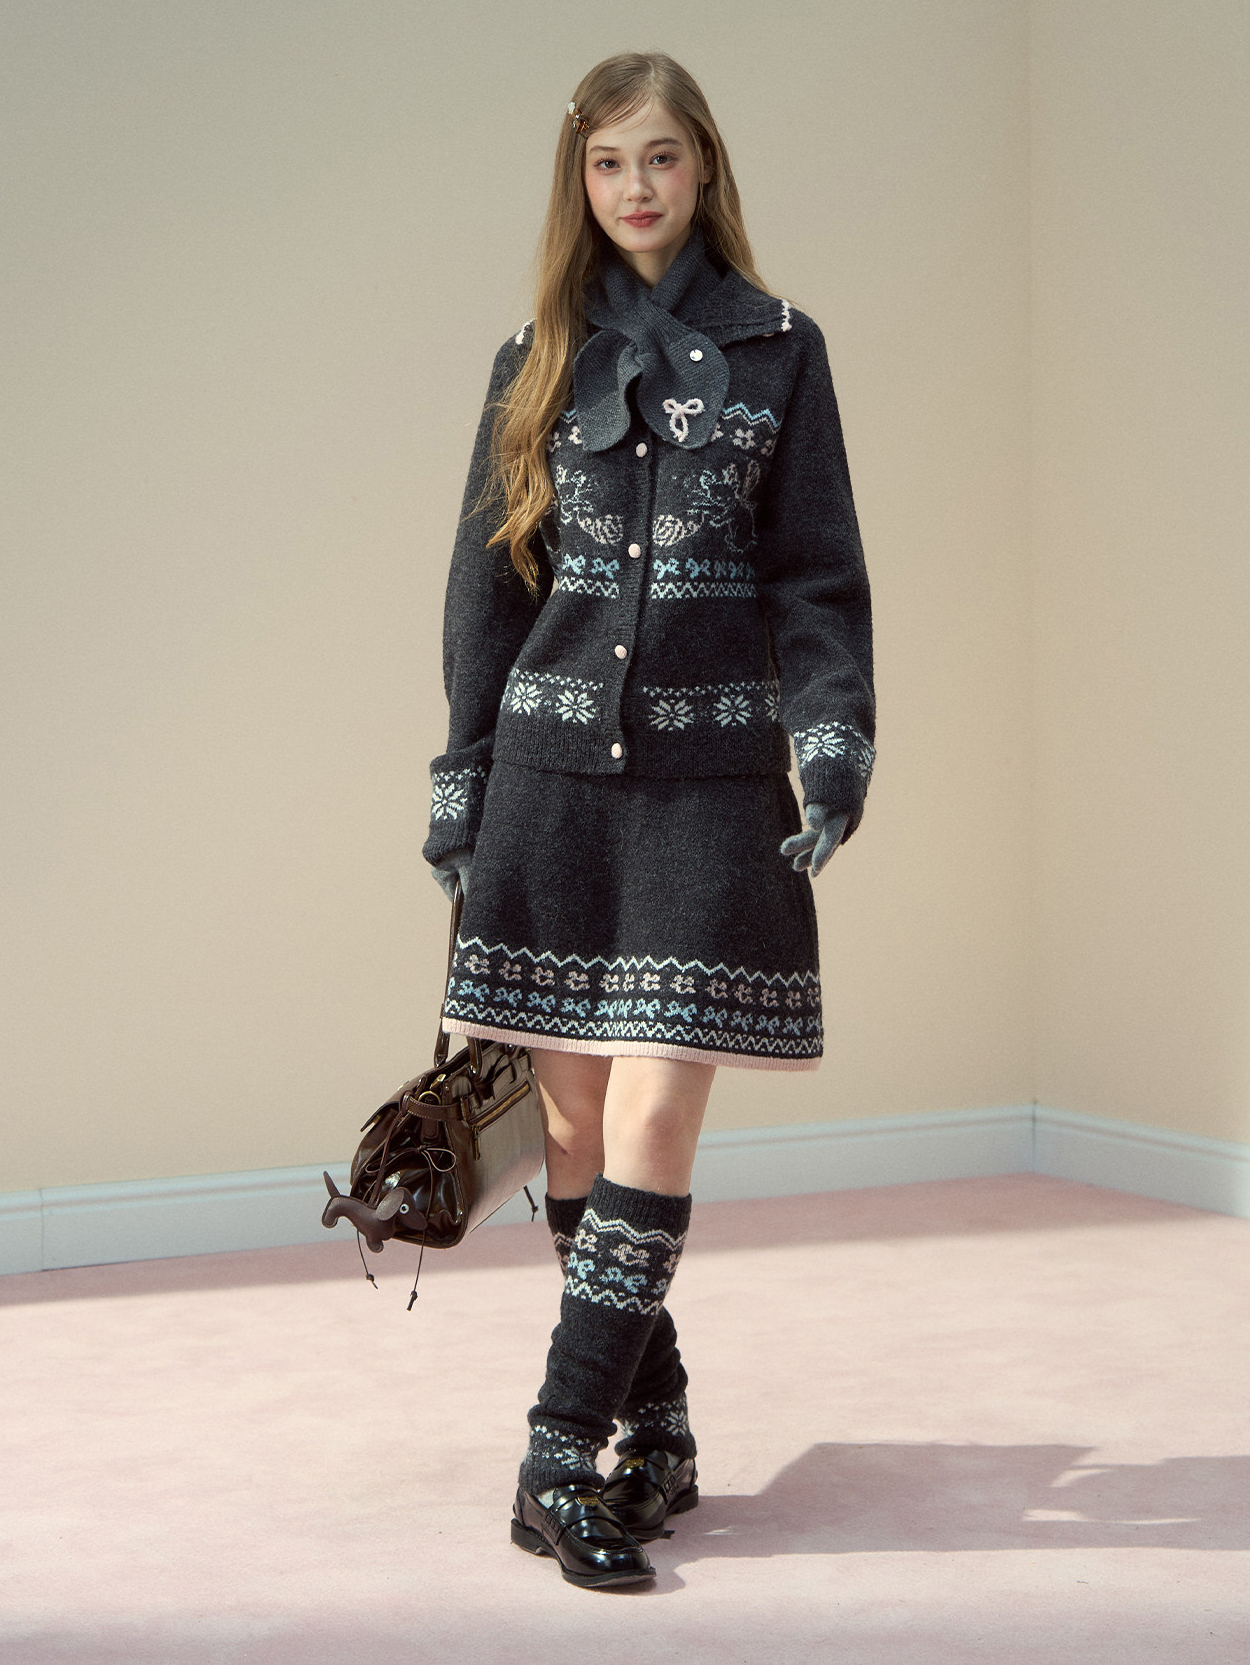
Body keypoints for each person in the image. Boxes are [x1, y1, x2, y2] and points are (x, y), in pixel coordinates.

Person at [422, 50, 875, 1589]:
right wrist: (462, 785)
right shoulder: (532, 358)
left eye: (661, 157)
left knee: (655, 1117)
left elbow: (816, 576)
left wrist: (830, 747)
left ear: (703, 169)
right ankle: (658, 1426)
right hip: (548, 793)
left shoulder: (780, 351)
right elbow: (488, 593)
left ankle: (557, 1456)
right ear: (581, 180)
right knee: (567, 1129)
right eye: (610, 162)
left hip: (708, 791)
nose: (636, 187)